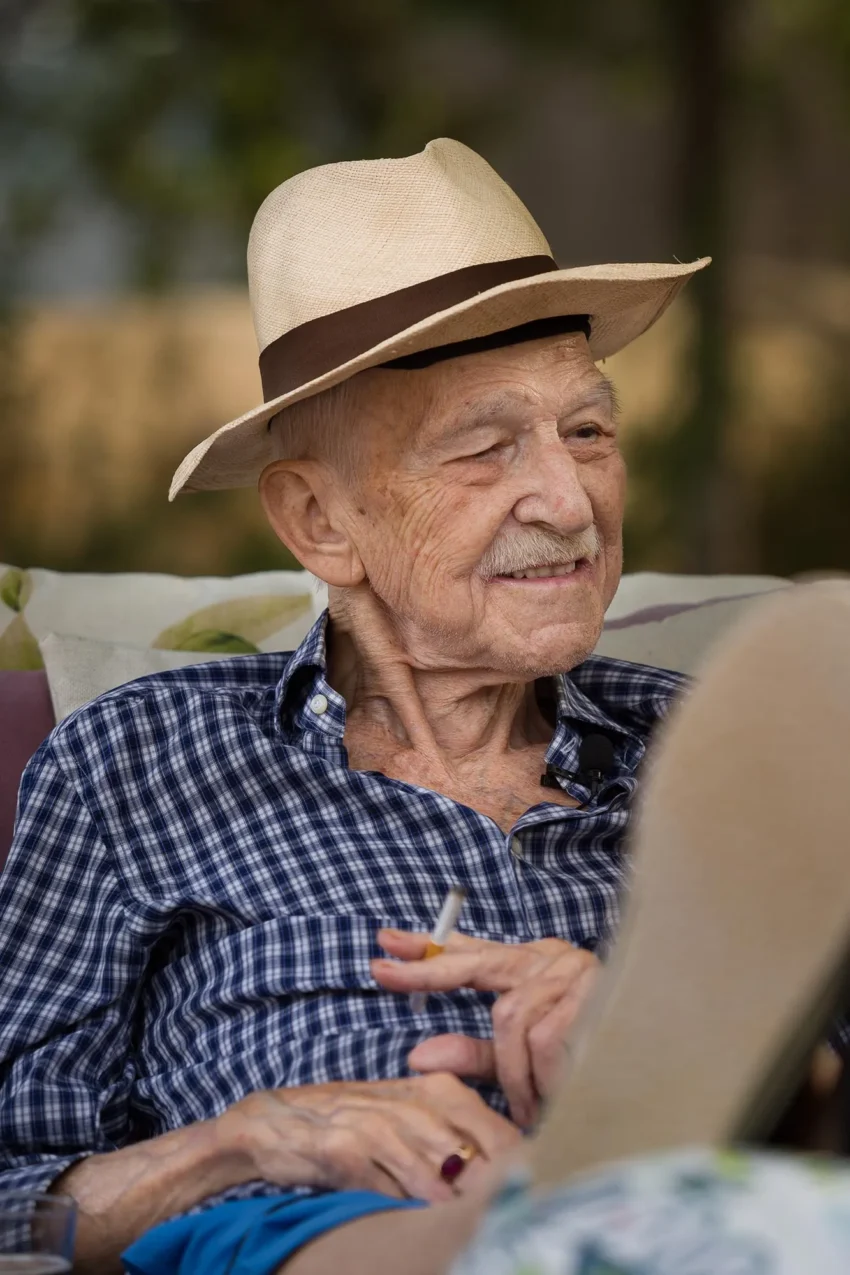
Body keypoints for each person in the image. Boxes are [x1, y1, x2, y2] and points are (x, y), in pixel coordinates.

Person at [0, 138, 711, 1271]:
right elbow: (12, 1191)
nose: (571, 501)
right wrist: (239, 1145)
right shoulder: (143, 760)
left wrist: (684, 1043)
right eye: (484, 449)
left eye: (588, 431)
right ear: (320, 523)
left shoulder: (719, 748)